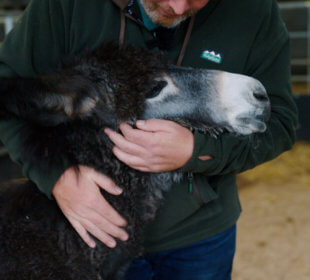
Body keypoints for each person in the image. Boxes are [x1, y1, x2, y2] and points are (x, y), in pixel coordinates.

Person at [0, 0, 298, 279]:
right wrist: (56, 177)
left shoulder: (254, 11)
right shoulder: (67, 6)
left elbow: (281, 123)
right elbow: (9, 94)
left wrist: (197, 151)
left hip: (199, 237)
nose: (178, 7)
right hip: (82, 235)